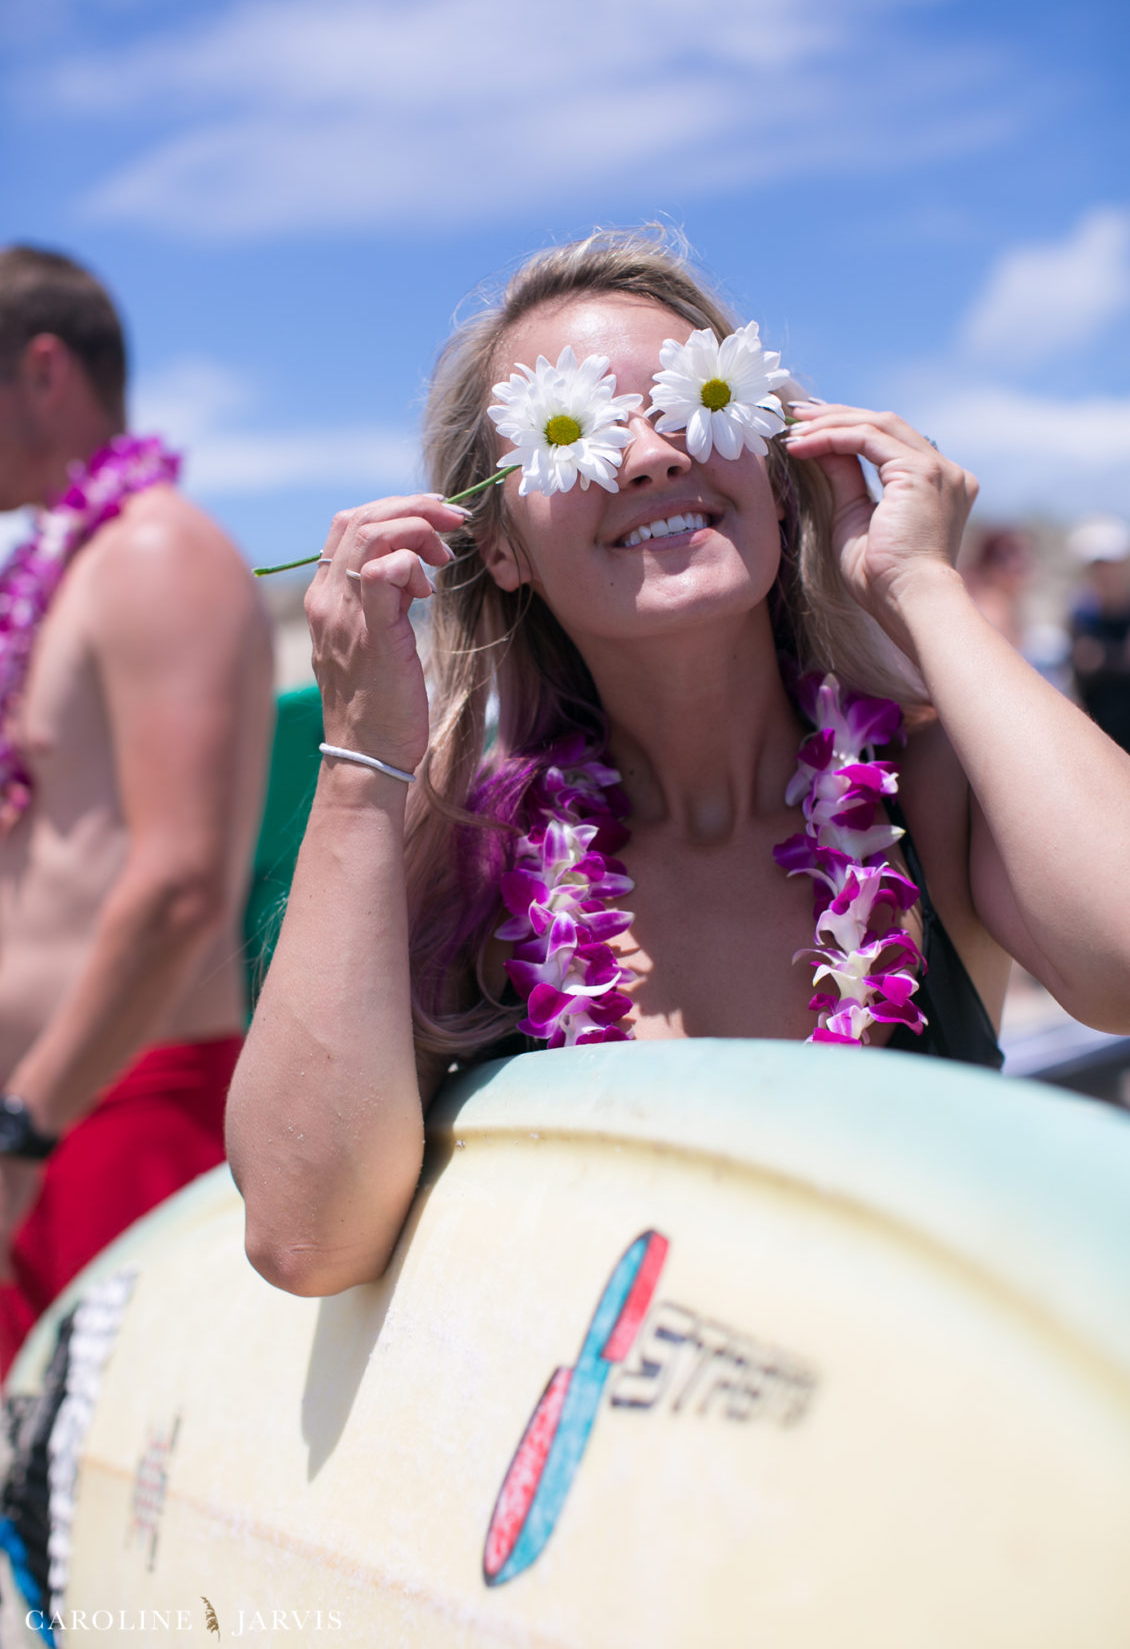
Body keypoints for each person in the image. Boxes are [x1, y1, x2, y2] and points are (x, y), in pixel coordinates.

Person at [225, 229, 1130, 1300]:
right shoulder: (467, 857)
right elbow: (303, 1237)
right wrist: (358, 767)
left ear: (778, 473)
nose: (650, 454)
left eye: (692, 398)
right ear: (500, 546)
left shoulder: (930, 790)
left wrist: (919, 586)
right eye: (578, 429)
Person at [0, 245, 274, 1374]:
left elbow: (179, 885)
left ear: (45, 370)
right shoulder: (76, 567)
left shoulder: (158, 554)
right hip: (55, 1115)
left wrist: (27, 1127)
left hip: (109, 1111)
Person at [1068, 515, 1130, 754]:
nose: (1105, 573)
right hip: (1100, 737)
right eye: (1097, 566)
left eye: (1110, 565)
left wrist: (1100, 659)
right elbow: (1081, 666)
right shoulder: (1082, 613)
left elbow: (1089, 661)